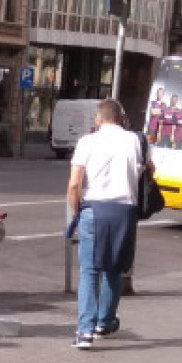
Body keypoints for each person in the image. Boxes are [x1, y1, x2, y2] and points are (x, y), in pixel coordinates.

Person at [66, 98, 144, 349]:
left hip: (94, 209)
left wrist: (77, 211)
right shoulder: (134, 140)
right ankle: (105, 322)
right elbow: (145, 170)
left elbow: (74, 184)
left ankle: (84, 332)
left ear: (97, 119)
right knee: (114, 268)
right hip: (124, 211)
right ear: (121, 118)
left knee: (89, 271)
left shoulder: (87, 142)